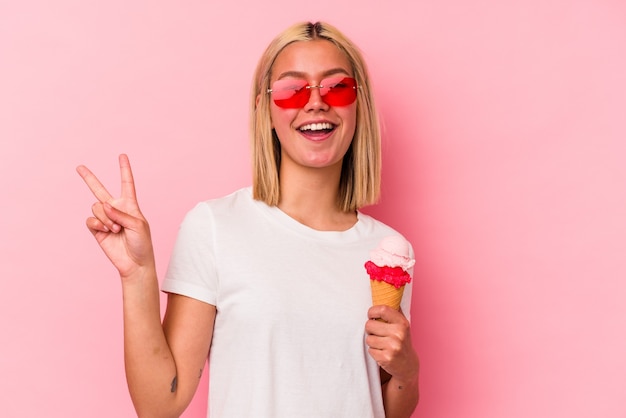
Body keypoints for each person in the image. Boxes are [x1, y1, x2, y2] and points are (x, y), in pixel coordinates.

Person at [77, 21, 419, 418]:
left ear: (358, 104)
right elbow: (159, 404)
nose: (316, 103)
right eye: (293, 90)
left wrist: (408, 370)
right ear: (265, 109)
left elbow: (385, 406)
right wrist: (137, 277)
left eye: (336, 87)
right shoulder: (216, 227)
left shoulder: (389, 253)